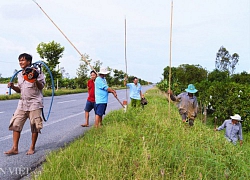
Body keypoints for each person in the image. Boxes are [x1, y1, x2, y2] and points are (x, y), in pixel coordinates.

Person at [4, 53, 45, 155]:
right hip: (22, 103)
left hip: (34, 103)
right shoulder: (19, 74)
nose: (20, 62)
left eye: (23, 60)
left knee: (35, 125)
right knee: (16, 124)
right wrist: (13, 87)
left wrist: (34, 79)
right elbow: (20, 90)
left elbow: (41, 87)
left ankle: (32, 147)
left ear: (29, 62)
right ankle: (15, 148)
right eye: (20, 60)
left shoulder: (37, 72)